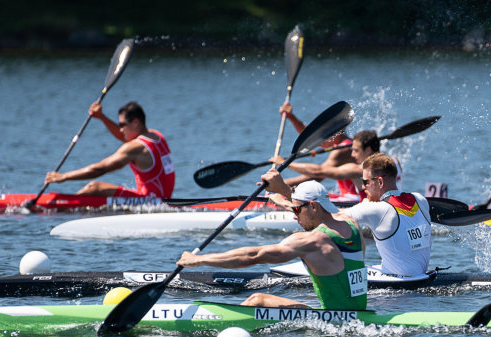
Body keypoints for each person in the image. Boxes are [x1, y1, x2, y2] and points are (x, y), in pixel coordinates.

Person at [177, 179, 367, 310]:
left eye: (296, 210)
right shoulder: (351, 224)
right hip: (359, 312)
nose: (294, 215)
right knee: (260, 300)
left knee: (256, 301)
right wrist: (282, 199)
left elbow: (254, 256)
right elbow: (318, 214)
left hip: (334, 319)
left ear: (314, 206)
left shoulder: (312, 241)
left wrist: (199, 260)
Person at [44, 101, 175, 198]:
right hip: (163, 199)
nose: (121, 130)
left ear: (135, 122)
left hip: (150, 202)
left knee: (94, 187)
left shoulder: (136, 147)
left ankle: (62, 207)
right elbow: (124, 136)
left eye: (122, 125)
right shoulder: (156, 136)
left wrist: (63, 176)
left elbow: (100, 169)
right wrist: (101, 117)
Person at [339, 153, 432, 278]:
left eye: (366, 182)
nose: (362, 187)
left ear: (380, 182)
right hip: (421, 277)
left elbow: (335, 217)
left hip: (397, 294)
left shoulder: (379, 210)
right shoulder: (420, 199)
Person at [272, 128, 403, 202]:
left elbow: (319, 172)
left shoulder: (361, 169)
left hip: (373, 212)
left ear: (368, 150)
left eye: (356, 150)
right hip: (395, 205)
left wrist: (285, 163)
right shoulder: (394, 161)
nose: (352, 155)